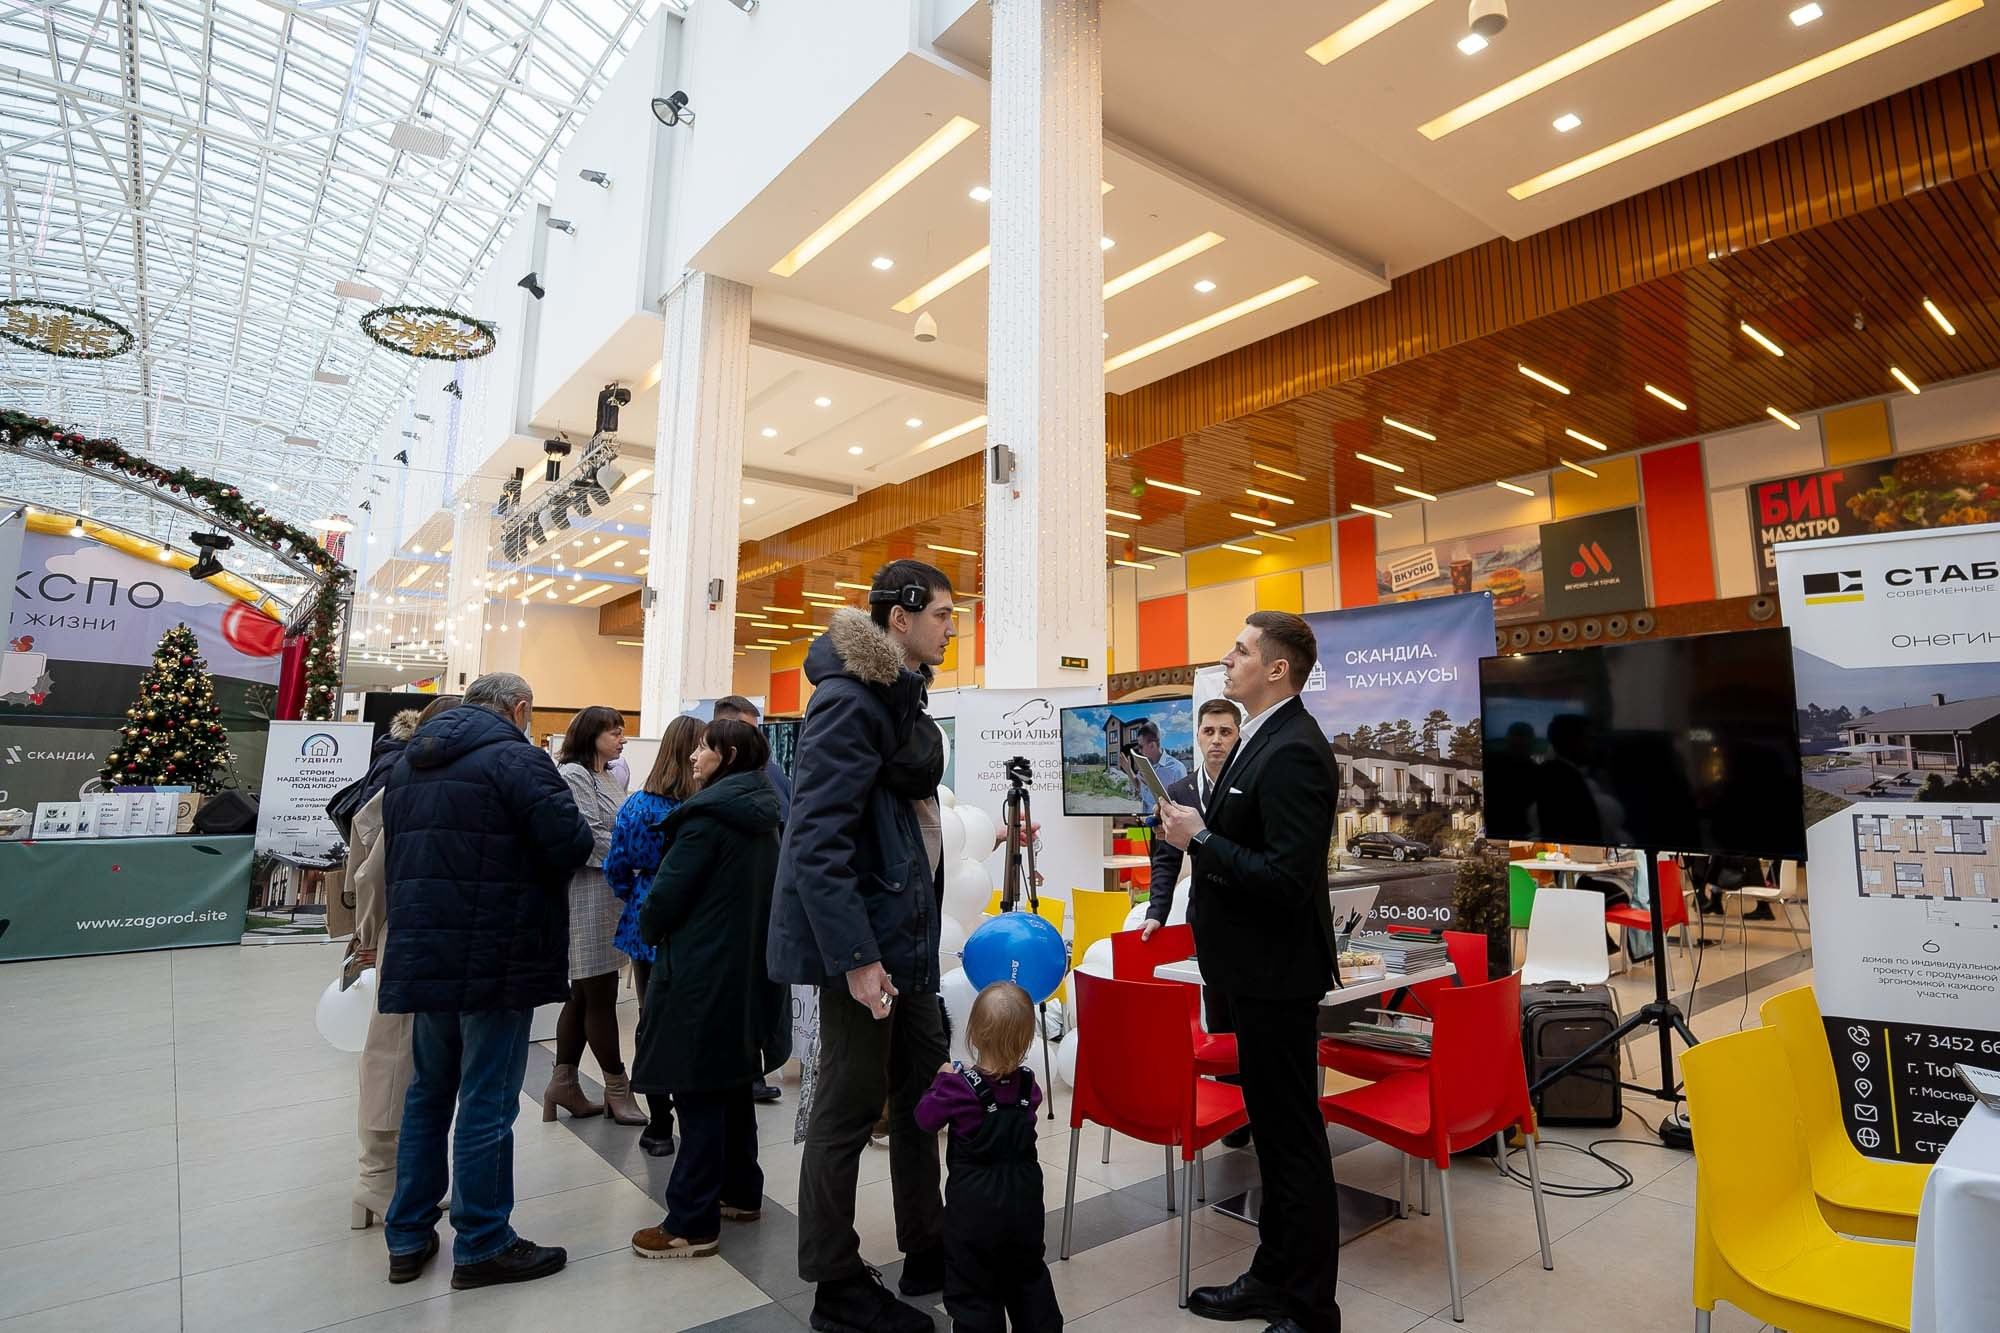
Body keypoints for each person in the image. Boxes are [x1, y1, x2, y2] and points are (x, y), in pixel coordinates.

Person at [767, 558, 954, 1333]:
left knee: (920, 1101)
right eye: (942, 613)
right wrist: (856, 957)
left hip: (904, 944)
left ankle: (930, 1247)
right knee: (846, 1108)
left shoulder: (896, 701)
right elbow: (815, 841)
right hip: (865, 952)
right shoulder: (849, 699)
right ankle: (836, 1286)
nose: (952, 625)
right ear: (901, 618)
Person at [377, 671, 591, 1289]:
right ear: (520, 708)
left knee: (427, 1094)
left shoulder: (409, 763)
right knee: (488, 1101)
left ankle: (408, 1233)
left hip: (424, 950)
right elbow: (569, 842)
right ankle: (482, 1241)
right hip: (497, 953)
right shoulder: (516, 760)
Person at [1158, 611, 1342, 1333]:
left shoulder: (1296, 749)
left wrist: (1199, 839)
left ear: (1277, 669)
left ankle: (1309, 1308)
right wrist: (1191, 831)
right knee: (1273, 1136)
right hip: (1246, 969)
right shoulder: (1257, 737)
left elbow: (1287, 879)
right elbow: (1242, 839)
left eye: (1240, 650)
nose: (1226, 658)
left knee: (1294, 1143)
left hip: (1277, 974)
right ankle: (1272, 1278)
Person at [629, 719, 791, 1259]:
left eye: (703, 748)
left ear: (726, 754)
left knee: (695, 1089)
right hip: (745, 971)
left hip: (699, 973)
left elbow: (666, 898)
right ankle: (741, 1192)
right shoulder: (763, 814)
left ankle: (690, 1221)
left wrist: (649, 928)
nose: (694, 756)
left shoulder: (704, 820)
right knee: (731, 1083)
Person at [342, 694, 460, 1231]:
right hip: (404, 931)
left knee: (405, 1057)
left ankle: (397, 1176)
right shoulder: (410, 774)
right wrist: (367, 936)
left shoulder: (406, 766)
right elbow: (369, 871)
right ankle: (377, 1181)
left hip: (409, 929)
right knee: (393, 1054)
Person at [914, 981, 1062, 1333]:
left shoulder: (956, 1087)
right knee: (1028, 1274)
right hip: (1024, 1201)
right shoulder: (1031, 1088)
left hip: (974, 1207)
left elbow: (924, 1119)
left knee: (973, 1283)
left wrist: (939, 1081)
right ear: (1026, 1042)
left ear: (974, 1034)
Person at [1144, 697, 1247, 1149]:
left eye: (1226, 732)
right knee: (1220, 1016)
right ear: (1198, 737)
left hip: (1255, 920)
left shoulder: (1251, 782)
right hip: (1205, 923)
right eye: (1210, 731)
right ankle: (1234, 1116)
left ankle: (1260, 1106)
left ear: (1238, 736)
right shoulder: (1180, 792)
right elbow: (1165, 860)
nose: (1217, 740)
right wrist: (1154, 913)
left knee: (1256, 1021)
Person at [602, 713, 707, 1156]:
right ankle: (693, 1117)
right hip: (698, 925)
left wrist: (642, 893)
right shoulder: (705, 806)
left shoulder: (638, 806)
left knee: (652, 1020)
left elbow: (616, 868)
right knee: (695, 1024)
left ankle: (659, 1122)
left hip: (647, 922)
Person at [545, 706, 644, 1126]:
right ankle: (617, 1088)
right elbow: (585, 835)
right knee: (599, 992)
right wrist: (632, 855)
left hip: (609, 894)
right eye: (615, 732)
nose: (622, 739)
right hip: (587, 894)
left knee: (584, 993)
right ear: (592, 735)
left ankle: (562, 1082)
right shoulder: (574, 775)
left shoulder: (605, 774)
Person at [710, 694, 790, 1105]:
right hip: (725, 918)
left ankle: (753, 1070)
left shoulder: (774, 776)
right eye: (747, 728)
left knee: (760, 993)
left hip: (766, 905)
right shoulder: (702, 781)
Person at [1127, 719, 1188, 819]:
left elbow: (1182, 807)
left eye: (1141, 747)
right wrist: (1128, 769)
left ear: (1152, 745)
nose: (1139, 750)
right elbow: (1139, 786)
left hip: (1167, 828)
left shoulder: (1177, 769)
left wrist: (1151, 784)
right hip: (1146, 823)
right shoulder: (1145, 764)